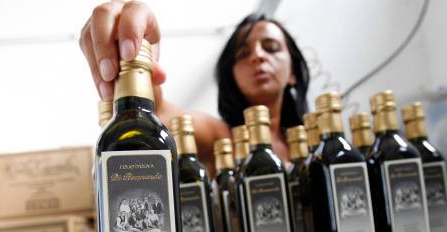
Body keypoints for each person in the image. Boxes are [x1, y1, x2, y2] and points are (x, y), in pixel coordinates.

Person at [79, 1, 310, 169]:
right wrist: (133, 49)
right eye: (242, 53)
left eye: (271, 48)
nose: (257, 57)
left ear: (293, 73)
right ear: (230, 75)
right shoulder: (221, 136)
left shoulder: (314, 139)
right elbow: (159, 113)